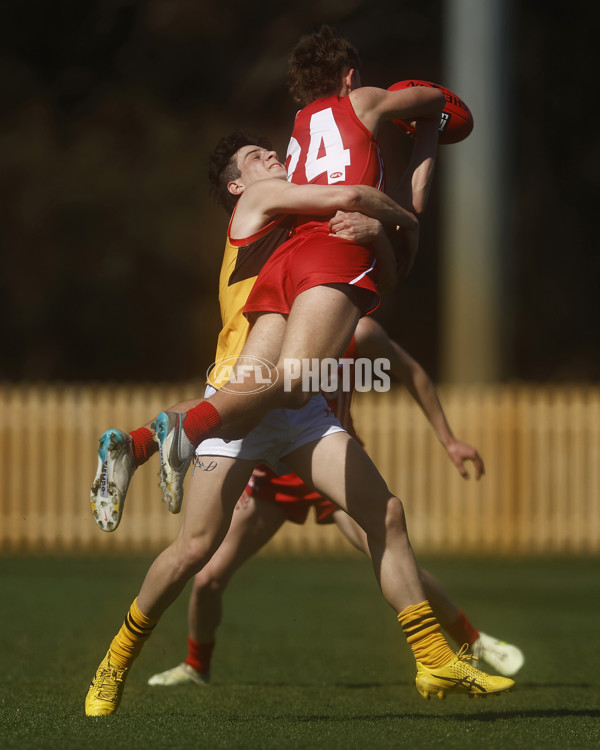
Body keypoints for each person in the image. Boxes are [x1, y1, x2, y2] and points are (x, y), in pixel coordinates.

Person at [84, 134, 515, 718]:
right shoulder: (258, 207)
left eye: (273, 151)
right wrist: (401, 215)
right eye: (255, 157)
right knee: (193, 552)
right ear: (236, 186)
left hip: (300, 411)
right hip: (243, 397)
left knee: (384, 513)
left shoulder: (298, 223)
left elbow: (377, 279)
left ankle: (437, 655)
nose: (271, 157)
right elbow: (358, 190)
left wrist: (375, 238)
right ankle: (114, 664)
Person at [146, 316, 524, 688]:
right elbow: (225, 399)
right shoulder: (262, 325)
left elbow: (412, 372)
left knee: (393, 553)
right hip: (271, 472)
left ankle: (471, 639)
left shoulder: (360, 332)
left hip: (331, 463)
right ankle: (197, 666)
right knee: (208, 578)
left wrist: (449, 439)